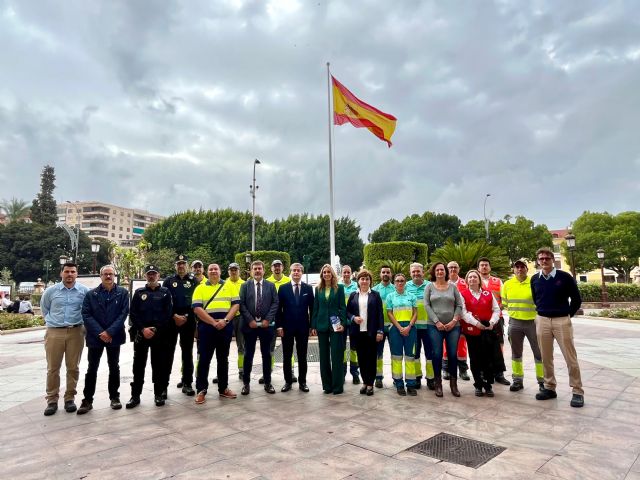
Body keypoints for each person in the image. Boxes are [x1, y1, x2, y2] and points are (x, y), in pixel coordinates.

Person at [531, 247, 584, 408]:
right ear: (538, 261)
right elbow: (536, 299)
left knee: (570, 357)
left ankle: (577, 391)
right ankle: (549, 387)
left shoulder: (565, 277)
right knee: (546, 357)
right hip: (542, 320)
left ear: (552, 259)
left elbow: (576, 299)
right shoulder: (535, 279)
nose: (544, 261)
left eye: (547, 258)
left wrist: (568, 314)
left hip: (562, 320)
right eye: (541, 258)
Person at [77, 265, 129, 414]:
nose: (108, 276)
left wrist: (110, 332)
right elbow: (86, 314)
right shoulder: (91, 294)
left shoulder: (123, 293)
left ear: (114, 276)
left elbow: (123, 314)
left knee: (114, 367)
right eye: (105, 274)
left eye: (111, 274)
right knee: (92, 368)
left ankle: (114, 397)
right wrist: (101, 332)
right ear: (100, 276)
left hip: (114, 336)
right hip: (95, 337)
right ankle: (87, 400)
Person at [40, 262, 90, 416]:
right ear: (61, 273)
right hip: (54, 332)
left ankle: (69, 398)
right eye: (67, 271)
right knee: (53, 368)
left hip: (76, 332)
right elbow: (44, 309)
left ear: (77, 273)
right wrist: (53, 323)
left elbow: (88, 310)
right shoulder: (50, 291)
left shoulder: (84, 291)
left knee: (73, 367)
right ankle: (52, 400)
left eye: (73, 272)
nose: (69, 274)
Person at [127, 265, 173, 408]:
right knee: (138, 366)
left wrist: (155, 329)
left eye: (154, 274)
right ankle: (135, 396)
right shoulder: (139, 292)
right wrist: (142, 329)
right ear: (146, 276)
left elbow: (168, 313)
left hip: (159, 335)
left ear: (158, 276)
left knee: (158, 365)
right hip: (141, 334)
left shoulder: (165, 292)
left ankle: (158, 394)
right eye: (149, 274)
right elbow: (133, 313)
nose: (151, 276)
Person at [192, 263, 240, 404]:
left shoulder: (229, 286)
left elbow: (236, 305)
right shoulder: (200, 287)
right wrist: (213, 322)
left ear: (220, 271)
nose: (213, 271)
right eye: (211, 269)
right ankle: (201, 390)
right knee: (204, 360)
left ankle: (223, 388)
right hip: (206, 329)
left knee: (223, 359)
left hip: (224, 328)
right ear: (207, 272)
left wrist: (224, 321)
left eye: (216, 269)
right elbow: (197, 308)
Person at [502, 259, 544, 392]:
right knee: (516, 353)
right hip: (514, 323)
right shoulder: (507, 284)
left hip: (533, 323)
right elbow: (505, 302)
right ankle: (517, 380)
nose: (519, 269)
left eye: (522, 267)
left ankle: (542, 381)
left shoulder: (534, 282)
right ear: (514, 270)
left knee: (539, 353)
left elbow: (540, 301)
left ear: (527, 269)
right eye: (517, 267)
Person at [425, 262, 464, 397]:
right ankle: (438, 384)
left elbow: (459, 305)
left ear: (445, 272)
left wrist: (454, 321)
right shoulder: (429, 287)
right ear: (434, 272)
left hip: (453, 326)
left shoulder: (453, 287)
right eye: (438, 270)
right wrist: (437, 322)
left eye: (442, 270)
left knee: (452, 354)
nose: (440, 272)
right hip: (434, 326)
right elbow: (427, 305)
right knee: (437, 354)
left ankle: (454, 385)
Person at [240, 260, 279, 395]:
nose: (257, 271)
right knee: (248, 355)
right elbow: (242, 304)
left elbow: (275, 303)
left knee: (266, 355)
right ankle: (246, 383)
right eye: (255, 269)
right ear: (251, 271)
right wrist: (249, 320)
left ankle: (268, 383)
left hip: (266, 326)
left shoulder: (270, 285)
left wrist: (268, 319)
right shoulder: (245, 286)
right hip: (249, 326)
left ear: (264, 270)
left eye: (259, 269)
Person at [460, 269, 500, 397]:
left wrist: (492, 322)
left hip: (487, 332)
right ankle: (478, 384)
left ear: (479, 279)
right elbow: (463, 313)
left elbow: (496, 310)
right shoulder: (463, 294)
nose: (472, 279)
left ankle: (488, 385)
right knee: (475, 358)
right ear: (467, 280)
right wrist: (477, 324)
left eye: (474, 277)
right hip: (472, 332)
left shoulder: (488, 293)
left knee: (488, 359)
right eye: (470, 277)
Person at [163, 254, 197, 397]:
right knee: (168, 353)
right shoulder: (168, 281)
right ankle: (163, 386)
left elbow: (197, 301)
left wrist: (187, 316)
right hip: (172, 320)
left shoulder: (193, 280)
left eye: (183, 263)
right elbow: (163, 303)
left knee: (187, 352)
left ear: (187, 265)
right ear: (175, 266)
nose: (181, 266)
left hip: (188, 321)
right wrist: (174, 316)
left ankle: (187, 383)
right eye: (178, 264)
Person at [276, 262, 314, 392]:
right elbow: (278, 310)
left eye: (298, 270)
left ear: (302, 273)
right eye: (294, 270)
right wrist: (279, 326)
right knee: (287, 356)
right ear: (290, 273)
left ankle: (303, 382)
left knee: (302, 355)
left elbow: (312, 309)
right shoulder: (283, 288)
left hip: (303, 327)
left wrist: (312, 326)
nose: (296, 272)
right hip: (287, 328)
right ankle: (287, 382)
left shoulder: (308, 289)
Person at [346, 270, 384, 396]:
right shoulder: (353, 295)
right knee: (361, 359)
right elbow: (348, 312)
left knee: (371, 358)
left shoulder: (375, 295)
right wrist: (353, 318)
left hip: (371, 332)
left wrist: (380, 331)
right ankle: (364, 382)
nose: (364, 281)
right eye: (362, 279)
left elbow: (380, 314)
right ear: (358, 281)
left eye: (367, 279)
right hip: (357, 332)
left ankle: (370, 384)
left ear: (370, 281)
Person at [311, 264, 347, 395]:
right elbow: (315, 308)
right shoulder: (318, 289)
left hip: (336, 326)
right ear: (322, 274)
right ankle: (327, 385)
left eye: (328, 272)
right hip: (321, 325)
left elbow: (342, 307)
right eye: (324, 272)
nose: (326, 274)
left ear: (332, 274)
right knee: (324, 356)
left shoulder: (339, 288)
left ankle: (337, 386)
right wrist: (313, 326)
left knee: (337, 356)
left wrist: (343, 323)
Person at [478, 257, 510, 386]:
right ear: (478, 268)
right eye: (482, 265)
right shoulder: (473, 280)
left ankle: (499, 373)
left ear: (490, 267)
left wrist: (497, 310)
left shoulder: (498, 281)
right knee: (480, 346)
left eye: (486, 265)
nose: (484, 267)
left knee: (498, 345)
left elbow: (504, 299)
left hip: (497, 319)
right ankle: (481, 372)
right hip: (479, 320)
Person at [386, 273, 418, 396]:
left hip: (410, 329)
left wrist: (409, 326)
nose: (400, 283)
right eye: (397, 280)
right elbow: (389, 313)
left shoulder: (412, 296)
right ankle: (399, 383)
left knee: (410, 357)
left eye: (402, 281)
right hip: (396, 329)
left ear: (405, 282)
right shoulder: (390, 296)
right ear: (394, 283)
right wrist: (400, 328)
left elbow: (415, 313)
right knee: (396, 357)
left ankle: (410, 384)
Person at [406, 263, 434, 390]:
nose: (416, 274)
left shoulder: (430, 285)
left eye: (418, 271)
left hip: (429, 327)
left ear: (423, 272)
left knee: (430, 354)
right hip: (413, 328)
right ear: (410, 273)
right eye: (413, 272)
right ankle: (417, 377)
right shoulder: (406, 286)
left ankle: (431, 378)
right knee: (414, 354)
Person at [264, 259, 293, 383]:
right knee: (268, 348)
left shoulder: (289, 281)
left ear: (282, 268)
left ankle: (290, 371)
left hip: (285, 320)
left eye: (279, 266)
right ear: (271, 268)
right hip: (270, 319)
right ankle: (267, 370)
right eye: (274, 266)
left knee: (288, 347)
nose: (277, 268)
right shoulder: (266, 282)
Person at [443, 261, 470, 382]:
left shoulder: (466, 282)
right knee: (445, 344)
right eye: (450, 267)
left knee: (462, 344)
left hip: (462, 319)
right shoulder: (441, 283)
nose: (453, 269)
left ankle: (463, 370)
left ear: (459, 269)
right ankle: (446, 369)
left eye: (455, 267)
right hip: (446, 318)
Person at [372, 265, 394, 388]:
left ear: (391, 274)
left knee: (395, 354)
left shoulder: (396, 289)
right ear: (380, 274)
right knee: (378, 354)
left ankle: (396, 378)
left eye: (388, 272)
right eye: (383, 272)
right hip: (379, 328)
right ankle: (378, 377)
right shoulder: (374, 290)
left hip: (393, 327)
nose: (385, 274)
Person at [340, 265, 360, 384]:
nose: (346, 274)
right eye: (344, 272)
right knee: (342, 349)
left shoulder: (356, 286)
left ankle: (355, 373)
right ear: (341, 273)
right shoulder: (337, 285)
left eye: (348, 272)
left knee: (354, 349)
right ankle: (342, 373)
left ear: (351, 273)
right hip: (341, 322)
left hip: (353, 322)